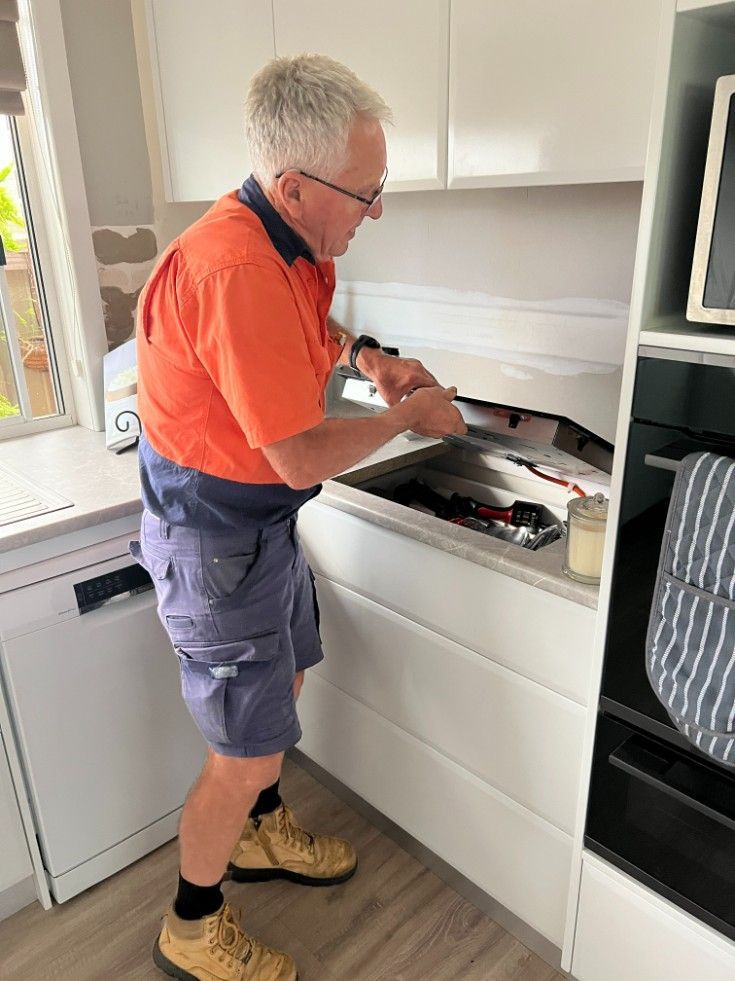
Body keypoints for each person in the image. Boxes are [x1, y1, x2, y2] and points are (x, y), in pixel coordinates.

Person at [131, 53, 467, 981]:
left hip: (259, 529)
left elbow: (307, 333)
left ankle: (260, 834)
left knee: (284, 693)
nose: (377, 209)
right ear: (294, 184)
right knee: (241, 749)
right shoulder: (234, 265)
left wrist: (371, 360)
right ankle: (191, 927)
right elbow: (301, 452)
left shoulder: (286, 243)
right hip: (215, 538)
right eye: (366, 192)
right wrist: (404, 416)